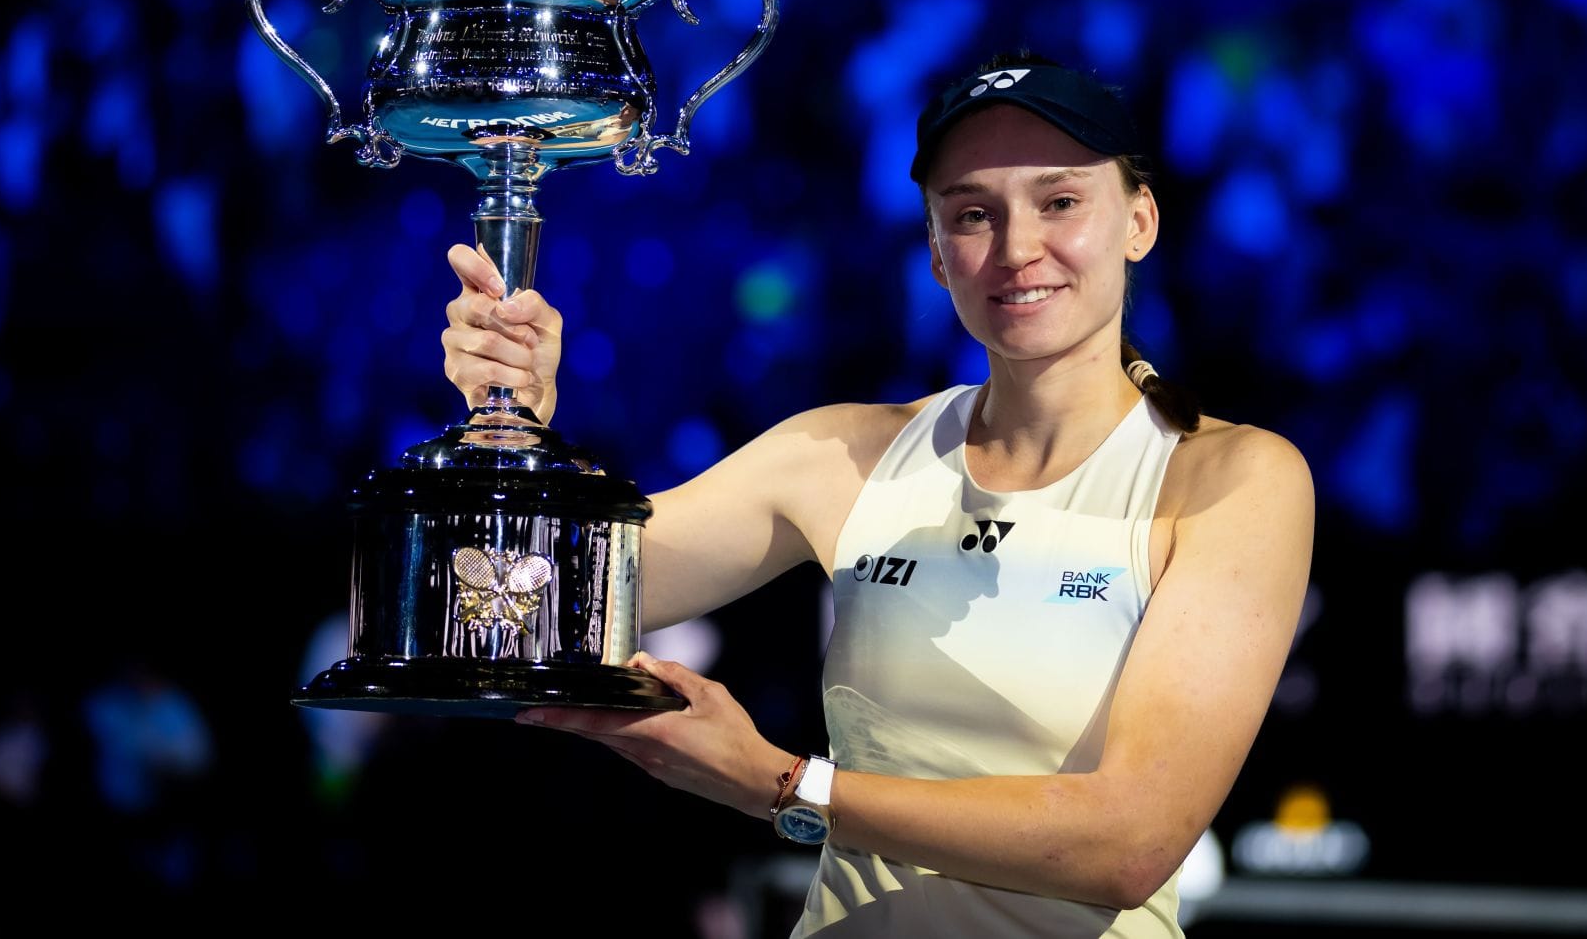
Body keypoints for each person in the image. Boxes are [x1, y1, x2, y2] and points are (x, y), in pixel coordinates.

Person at [439, 54, 1315, 937]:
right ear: (935, 252)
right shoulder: (844, 456)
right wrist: (514, 427)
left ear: (1140, 221)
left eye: (1059, 201)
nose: (1017, 249)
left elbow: (1128, 844)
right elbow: (521, 603)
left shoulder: (1232, 480)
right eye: (973, 213)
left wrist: (782, 785)